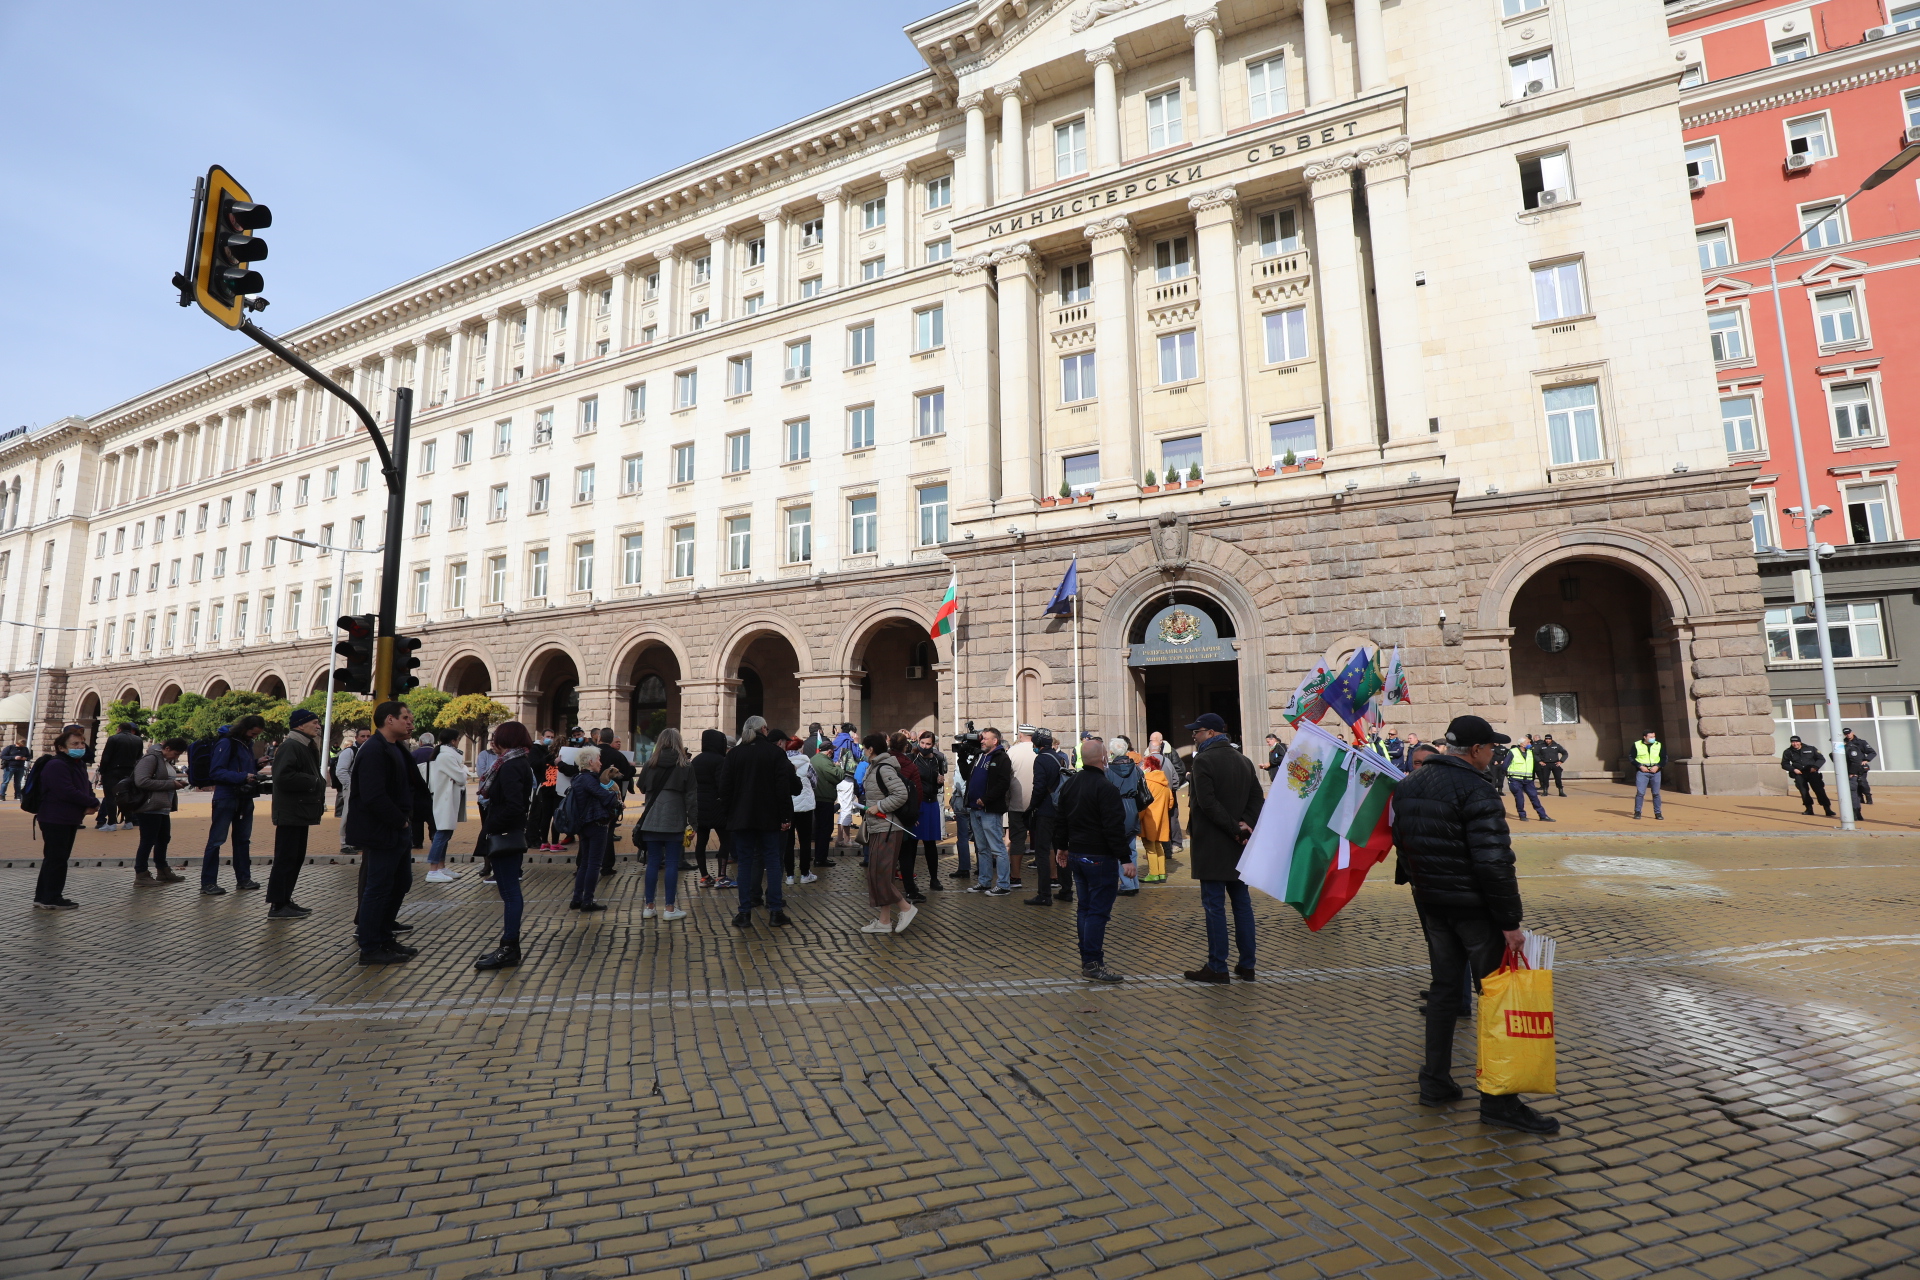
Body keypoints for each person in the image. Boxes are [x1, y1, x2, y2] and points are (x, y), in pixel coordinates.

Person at [1391, 714, 1558, 1135]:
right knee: (1495, 995)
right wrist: (1510, 923)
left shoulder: (1409, 784)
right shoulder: (1477, 789)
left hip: (1432, 904)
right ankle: (1499, 1100)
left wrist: (1425, 891)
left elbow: (1403, 848)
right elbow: (1494, 862)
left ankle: (1435, 1081)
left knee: (1445, 990)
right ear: (1476, 750)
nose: (1493, 755)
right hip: (1474, 909)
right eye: (1491, 748)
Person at [1184, 712, 1263, 983]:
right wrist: (1244, 826)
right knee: (1242, 904)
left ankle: (1218, 967)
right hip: (1239, 845)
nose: (1193, 735)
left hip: (1214, 846)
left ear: (1212, 732)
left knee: (1215, 906)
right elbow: (1257, 798)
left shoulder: (1203, 760)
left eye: (1198, 730)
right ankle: (1247, 964)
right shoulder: (1244, 760)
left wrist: (1234, 829)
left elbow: (1206, 803)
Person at [1050, 738, 1135, 982]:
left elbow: (1061, 819)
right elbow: (1113, 827)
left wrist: (1062, 847)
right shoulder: (1105, 788)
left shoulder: (1070, 784)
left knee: (1085, 909)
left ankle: (1088, 959)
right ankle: (1093, 962)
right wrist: (1125, 859)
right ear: (1103, 759)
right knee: (1097, 912)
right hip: (1099, 857)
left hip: (1077, 854)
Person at [347, 702, 418, 964]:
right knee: (377, 889)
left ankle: (385, 938)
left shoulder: (396, 748)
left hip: (398, 830)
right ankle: (370, 947)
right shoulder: (374, 750)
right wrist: (400, 821)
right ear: (389, 719)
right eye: (406, 718)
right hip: (382, 831)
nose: (410, 723)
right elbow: (373, 795)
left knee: (400, 883)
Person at [719, 716, 803, 927]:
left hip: (741, 818)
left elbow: (725, 789)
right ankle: (775, 911)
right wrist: (785, 817)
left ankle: (744, 912)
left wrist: (728, 815)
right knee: (773, 862)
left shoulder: (734, 754)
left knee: (745, 864)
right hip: (769, 817)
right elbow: (783, 787)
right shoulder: (775, 753)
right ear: (764, 729)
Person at [474, 722, 536, 969]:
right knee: (510, 892)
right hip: (508, 831)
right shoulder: (516, 762)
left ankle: (509, 947)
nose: (492, 743)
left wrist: (491, 827)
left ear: (507, 739)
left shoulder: (511, 766)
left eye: (495, 738)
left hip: (504, 835)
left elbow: (514, 806)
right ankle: (509, 946)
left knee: (510, 893)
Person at [261, 710, 326, 918]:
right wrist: (315, 782)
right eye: (314, 723)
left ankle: (285, 899)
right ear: (300, 725)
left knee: (295, 858)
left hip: (300, 811)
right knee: (286, 859)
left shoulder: (304, 745)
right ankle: (277, 905)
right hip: (291, 812)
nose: (318, 726)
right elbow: (283, 777)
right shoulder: (291, 746)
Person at [199, 716, 270, 896]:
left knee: (243, 840)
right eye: (253, 733)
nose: (254, 737)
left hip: (245, 797)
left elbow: (240, 768)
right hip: (226, 797)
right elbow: (216, 771)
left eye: (257, 734)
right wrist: (243, 777)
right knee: (216, 840)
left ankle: (244, 879)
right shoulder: (227, 743)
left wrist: (256, 765)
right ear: (245, 728)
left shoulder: (246, 744)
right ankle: (208, 883)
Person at [31, 729, 99, 910]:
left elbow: (85, 787)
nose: (79, 747)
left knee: (55, 858)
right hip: (55, 818)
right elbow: (66, 790)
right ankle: (51, 898)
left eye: (82, 743)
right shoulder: (57, 765)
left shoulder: (78, 764)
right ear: (61, 747)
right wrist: (92, 802)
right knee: (56, 859)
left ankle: (43, 896)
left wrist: (90, 800)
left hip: (68, 817)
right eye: (74, 744)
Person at [857, 733, 917, 934]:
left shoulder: (883, 768)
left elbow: (901, 794)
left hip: (888, 827)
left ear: (871, 749)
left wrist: (879, 806)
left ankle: (906, 908)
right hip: (879, 827)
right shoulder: (875, 767)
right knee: (880, 874)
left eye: (865, 748)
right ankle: (884, 921)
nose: (863, 752)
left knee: (880, 875)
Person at [637, 727, 693, 922]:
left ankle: (649, 906)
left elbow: (641, 786)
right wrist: (693, 823)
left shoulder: (650, 764)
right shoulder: (685, 765)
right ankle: (669, 908)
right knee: (671, 864)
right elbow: (691, 796)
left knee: (652, 863)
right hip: (674, 820)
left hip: (651, 818)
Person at [561, 745, 622, 912]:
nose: (600, 763)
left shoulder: (578, 778)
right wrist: (616, 799)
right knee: (594, 864)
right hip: (596, 824)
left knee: (585, 864)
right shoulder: (590, 779)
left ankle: (577, 899)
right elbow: (604, 797)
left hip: (583, 825)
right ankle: (587, 901)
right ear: (590, 761)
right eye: (598, 760)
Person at [130, 736, 191, 884]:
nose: (176, 757)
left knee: (163, 839)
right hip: (149, 807)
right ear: (167, 748)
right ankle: (141, 873)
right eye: (175, 754)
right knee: (148, 840)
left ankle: (163, 870)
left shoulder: (164, 760)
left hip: (162, 807)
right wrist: (171, 784)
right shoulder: (151, 759)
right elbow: (142, 781)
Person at [1022, 729, 1070, 905]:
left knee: (1042, 852)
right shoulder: (1060, 757)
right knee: (1061, 849)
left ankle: (1044, 894)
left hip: (1046, 811)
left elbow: (1039, 786)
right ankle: (1066, 890)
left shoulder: (1041, 759)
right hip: (1061, 810)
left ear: (1036, 743)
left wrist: (1031, 807)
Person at [965, 726, 1012, 895]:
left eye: (985, 738)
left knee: (997, 848)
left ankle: (1003, 884)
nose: (982, 740)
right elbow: (967, 776)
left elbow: (1003, 783)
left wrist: (986, 799)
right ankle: (984, 881)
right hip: (974, 808)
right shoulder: (979, 756)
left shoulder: (1001, 758)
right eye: (982, 738)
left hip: (989, 809)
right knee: (982, 848)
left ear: (995, 741)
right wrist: (963, 757)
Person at [1105, 739, 1152, 895]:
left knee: (1117, 848)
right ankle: (1134, 882)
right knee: (1131, 848)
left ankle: (1126, 884)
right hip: (1132, 807)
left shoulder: (1108, 770)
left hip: (1116, 808)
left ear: (1112, 752)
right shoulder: (1136, 769)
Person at [905, 730, 948, 895]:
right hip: (917, 804)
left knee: (930, 844)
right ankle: (909, 880)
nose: (924, 746)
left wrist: (940, 782)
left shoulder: (938, 759)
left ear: (933, 745)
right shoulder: (912, 758)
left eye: (928, 744)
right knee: (912, 844)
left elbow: (937, 784)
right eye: (922, 743)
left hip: (931, 804)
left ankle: (934, 878)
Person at [422, 731, 468, 882]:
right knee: (441, 835)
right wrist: (464, 770)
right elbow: (461, 777)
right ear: (454, 741)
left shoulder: (447, 755)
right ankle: (433, 870)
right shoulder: (447, 756)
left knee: (445, 834)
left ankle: (441, 867)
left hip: (448, 799)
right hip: (445, 800)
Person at [691, 728, 731, 886]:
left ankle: (705, 876)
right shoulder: (720, 760)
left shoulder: (696, 760)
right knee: (725, 840)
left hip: (700, 806)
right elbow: (722, 784)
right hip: (717, 807)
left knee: (701, 841)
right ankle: (721, 876)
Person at [782, 736, 820, 885]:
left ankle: (790, 875)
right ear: (800, 748)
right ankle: (805, 873)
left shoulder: (782, 762)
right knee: (805, 841)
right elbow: (815, 783)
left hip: (788, 806)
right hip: (805, 807)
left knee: (788, 842)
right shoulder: (807, 763)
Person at [95, 721, 144, 831]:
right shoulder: (138, 740)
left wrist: (102, 771)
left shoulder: (114, 739)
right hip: (130, 771)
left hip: (113, 771)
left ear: (119, 729)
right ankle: (129, 821)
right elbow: (139, 757)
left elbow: (106, 756)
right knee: (126, 796)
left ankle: (112, 823)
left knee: (110, 797)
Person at [806, 738, 842, 872]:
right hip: (825, 799)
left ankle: (818, 857)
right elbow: (838, 776)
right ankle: (821, 859)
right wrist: (839, 768)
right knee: (825, 830)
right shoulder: (826, 762)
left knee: (817, 829)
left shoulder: (813, 759)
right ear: (829, 752)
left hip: (814, 799)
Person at [1137, 753, 1174, 883]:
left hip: (1149, 818)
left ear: (1148, 767)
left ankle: (1153, 873)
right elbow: (1170, 803)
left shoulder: (1146, 782)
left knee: (1149, 847)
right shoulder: (1165, 783)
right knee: (1159, 845)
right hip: (1162, 819)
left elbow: (1142, 802)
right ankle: (1161, 873)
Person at [334, 727, 371, 853]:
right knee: (348, 814)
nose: (366, 739)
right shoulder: (349, 752)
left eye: (368, 736)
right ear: (356, 738)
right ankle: (344, 844)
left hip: (364, 789)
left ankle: (356, 841)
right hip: (352, 788)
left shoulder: (369, 751)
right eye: (363, 736)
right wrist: (350, 786)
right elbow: (341, 771)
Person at [1780, 735, 1835, 818]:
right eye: (1793, 742)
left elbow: (1821, 759)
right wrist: (1793, 769)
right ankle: (1809, 809)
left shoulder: (1811, 748)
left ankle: (1827, 809)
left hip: (1812, 773)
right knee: (1804, 792)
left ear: (1800, 742)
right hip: (1799, 774)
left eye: (1796, 742)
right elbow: (1784, 764)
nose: (1795, 744)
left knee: (1819, 790)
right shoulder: (1788, 752)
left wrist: (1815, 767)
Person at [1504, 738, 1552, 822]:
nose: (1530, 743)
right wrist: (1509, 777)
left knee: (1534, 797)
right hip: (1515, 779)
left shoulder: (1530, 752)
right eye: (1528, 742)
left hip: (1528, 780)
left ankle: (1543, 816)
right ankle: (1522, 815)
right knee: (1520, 798)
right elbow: (1505, 765)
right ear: (1522, 744)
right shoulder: (1513, 751)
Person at [1632, 730, 1664, 821]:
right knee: (1640, 793)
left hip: (1655, 772)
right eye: (1650, 737)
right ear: (1645, 737)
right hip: (1642, 772)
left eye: (1653, 736)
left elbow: (1664, 758)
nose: (1653, 738)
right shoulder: (1637, 745)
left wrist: (1658, 766)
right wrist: (1640, 766)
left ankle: (1658, 813)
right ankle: (1637, 812)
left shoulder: (1659, 745)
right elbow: (1631, 757)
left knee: (1656, 793)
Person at [1841, 727, 1876, 811]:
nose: (1848, 735)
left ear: (1852, 732)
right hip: (1849, 767)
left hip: (1860, 766)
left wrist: (1866, 760)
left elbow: (1872, 752)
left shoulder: (1861, 742)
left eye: (1849, 733)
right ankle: (1859, 798)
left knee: (1862, 782)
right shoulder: (1843, 743)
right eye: (1846, 734)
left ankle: (1868, 796)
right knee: (1853, 784)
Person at [1, 735, 29, 799]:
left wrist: (25, 758)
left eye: (22, 746)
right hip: (10, 767)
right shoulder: (10, 748)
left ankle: (17, 795)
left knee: (18, 782)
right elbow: (3, 756)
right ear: (17, 743)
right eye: (20, 746)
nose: (21, 747)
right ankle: (2, 795)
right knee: (6, 782)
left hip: (20, 767)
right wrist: (14, 757)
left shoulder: (25, 749)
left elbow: (29, 756)